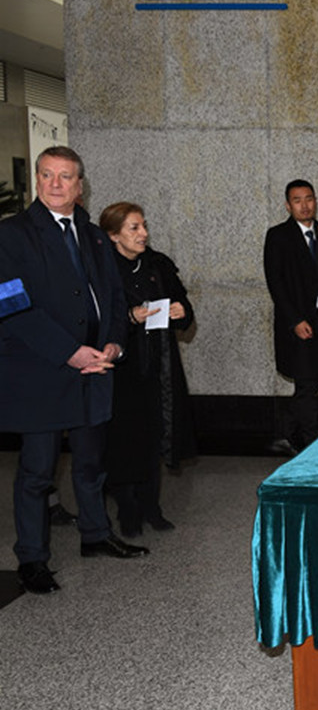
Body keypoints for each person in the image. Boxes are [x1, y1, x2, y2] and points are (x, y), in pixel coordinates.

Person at [0, 146, 148, 595]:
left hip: (95, 367)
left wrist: (114, 342)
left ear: (80, 185)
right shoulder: (11, 235)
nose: (56, 184)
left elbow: (115, 298)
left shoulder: (95, 235)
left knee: (89, 464)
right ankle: (32, 558)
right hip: (43, 369)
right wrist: (70, 352)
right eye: (47, 175)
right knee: (37, 472)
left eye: (66, 177)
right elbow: (11, 306)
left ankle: (95, 535)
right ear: (38, 180)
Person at [99, 202, 197, 538]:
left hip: (159, 366)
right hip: (121, 371)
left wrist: (182, 311)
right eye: (134, 228)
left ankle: (151, 507)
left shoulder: (157, 265)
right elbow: (94, 323)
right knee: (125, 442)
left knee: (156, 436)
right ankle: (127, 510)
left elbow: (185, 312)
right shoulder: (102, 271)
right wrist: (129, 319)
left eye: (144, 226)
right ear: (113, 236)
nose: (143, 234)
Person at [263, 180, 318, 453]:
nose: (304, 205)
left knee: (314, 381)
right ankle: (312, 442)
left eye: (309, 198)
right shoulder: (278, 236)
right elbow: (276, 284)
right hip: (298, 323)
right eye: (297, 200)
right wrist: (294, 321)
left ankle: (285, 434)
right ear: (288, 206)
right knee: (306, 380)